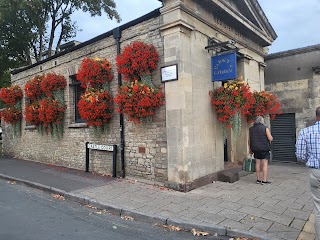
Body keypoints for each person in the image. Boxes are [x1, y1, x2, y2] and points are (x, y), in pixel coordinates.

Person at [296, 107, 320, 239]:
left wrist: (310, 159)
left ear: (316, 117)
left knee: (318, 208)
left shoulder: (306, 131)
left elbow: (300, 154)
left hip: (315, 171)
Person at [248, 116, 273, 185]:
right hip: (264, 149)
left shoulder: (251, 129)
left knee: (257, 164)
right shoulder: (265, 128)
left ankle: (258, 179)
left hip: (255, 149)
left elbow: (249, 140)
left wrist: (250, 149)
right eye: (263, 120)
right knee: (264, 164)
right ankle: (264, 180)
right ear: (261, 121)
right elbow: (270, 138)